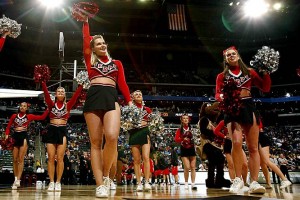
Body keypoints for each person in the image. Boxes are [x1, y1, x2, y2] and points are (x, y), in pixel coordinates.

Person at [82, 16, 132, 198]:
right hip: (94, 97)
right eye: (98, 44)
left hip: (111, 97)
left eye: (104, 43)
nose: (103, 45)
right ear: (93, 48)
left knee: (111, 137)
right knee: (95, 143)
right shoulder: (90, 61)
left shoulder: (116, 63)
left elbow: (124, 85)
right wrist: (85, 21)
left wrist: (131, 102)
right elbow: (85, 39)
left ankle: (106, 176)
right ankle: (100, 184)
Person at [215, 46, 271, 194]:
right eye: (228, 55)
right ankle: (238, 180)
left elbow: (265, 88)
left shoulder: (250, 72)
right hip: (231, 108)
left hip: (248, 106)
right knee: (237, 142)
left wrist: (265, 73)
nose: (231, 56)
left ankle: (253, 182)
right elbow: (217, 94)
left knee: (253, 147)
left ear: (238, 56)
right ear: (225, 59)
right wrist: (223, 98)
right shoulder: (222, 76)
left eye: (233, 54)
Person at [41, 81, 83, 191]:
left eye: (62, 91)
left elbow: (75, 96)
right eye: (58, 91)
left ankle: (58, 182)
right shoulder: (51, 104)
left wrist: (81, 85)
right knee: (50, 158)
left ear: (64, 94)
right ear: (55, 94)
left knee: (60, 158)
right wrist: (43, 82)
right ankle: (51, 182)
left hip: (62, 130)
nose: (60, 93)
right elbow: (46, 94)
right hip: (51, 130)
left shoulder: (68, 105)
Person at [5, 102, 49, 189]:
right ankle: (15, 178)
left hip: (23, 136)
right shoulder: (14, 116)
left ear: (26, 108)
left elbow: (42, 117)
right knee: (14, 159)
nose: (22, 107)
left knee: (20, 159)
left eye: (24, 106)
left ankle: (18, 180)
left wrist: (48, 109)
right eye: (21, 106)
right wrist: (6, 134)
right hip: (15, 136)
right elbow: (8, 126)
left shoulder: (29, 116)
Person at [128, 90, 152, 192]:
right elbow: (125, 123)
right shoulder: (130, 110)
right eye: (136, 94)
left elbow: (152, 123)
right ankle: (139, 183)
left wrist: (147, 124)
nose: (138, 95)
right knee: (136, 160)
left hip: (145, 132)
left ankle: (147, 182)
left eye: (140, 94)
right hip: (134, 133)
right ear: (132, 98)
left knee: (146, 158)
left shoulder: (147, 109)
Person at [258, 120, 292, 189]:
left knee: (267, 161)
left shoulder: (253, 116)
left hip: (260, 137)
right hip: (259, 138)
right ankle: (268, 183)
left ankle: (284, 179)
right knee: (263, 164)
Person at [174, 114, 197, 190]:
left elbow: (196, 137)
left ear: (189, 119)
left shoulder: (192, 129)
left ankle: (193, 184)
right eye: (184, 118)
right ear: (181, 120)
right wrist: (183, 139)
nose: (185, 119)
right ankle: (186, 183)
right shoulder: (179, 130)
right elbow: (176, 139)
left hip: (192, 148)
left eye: (187, 118)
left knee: (193, 167)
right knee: (187, 167)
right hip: (184, 149)